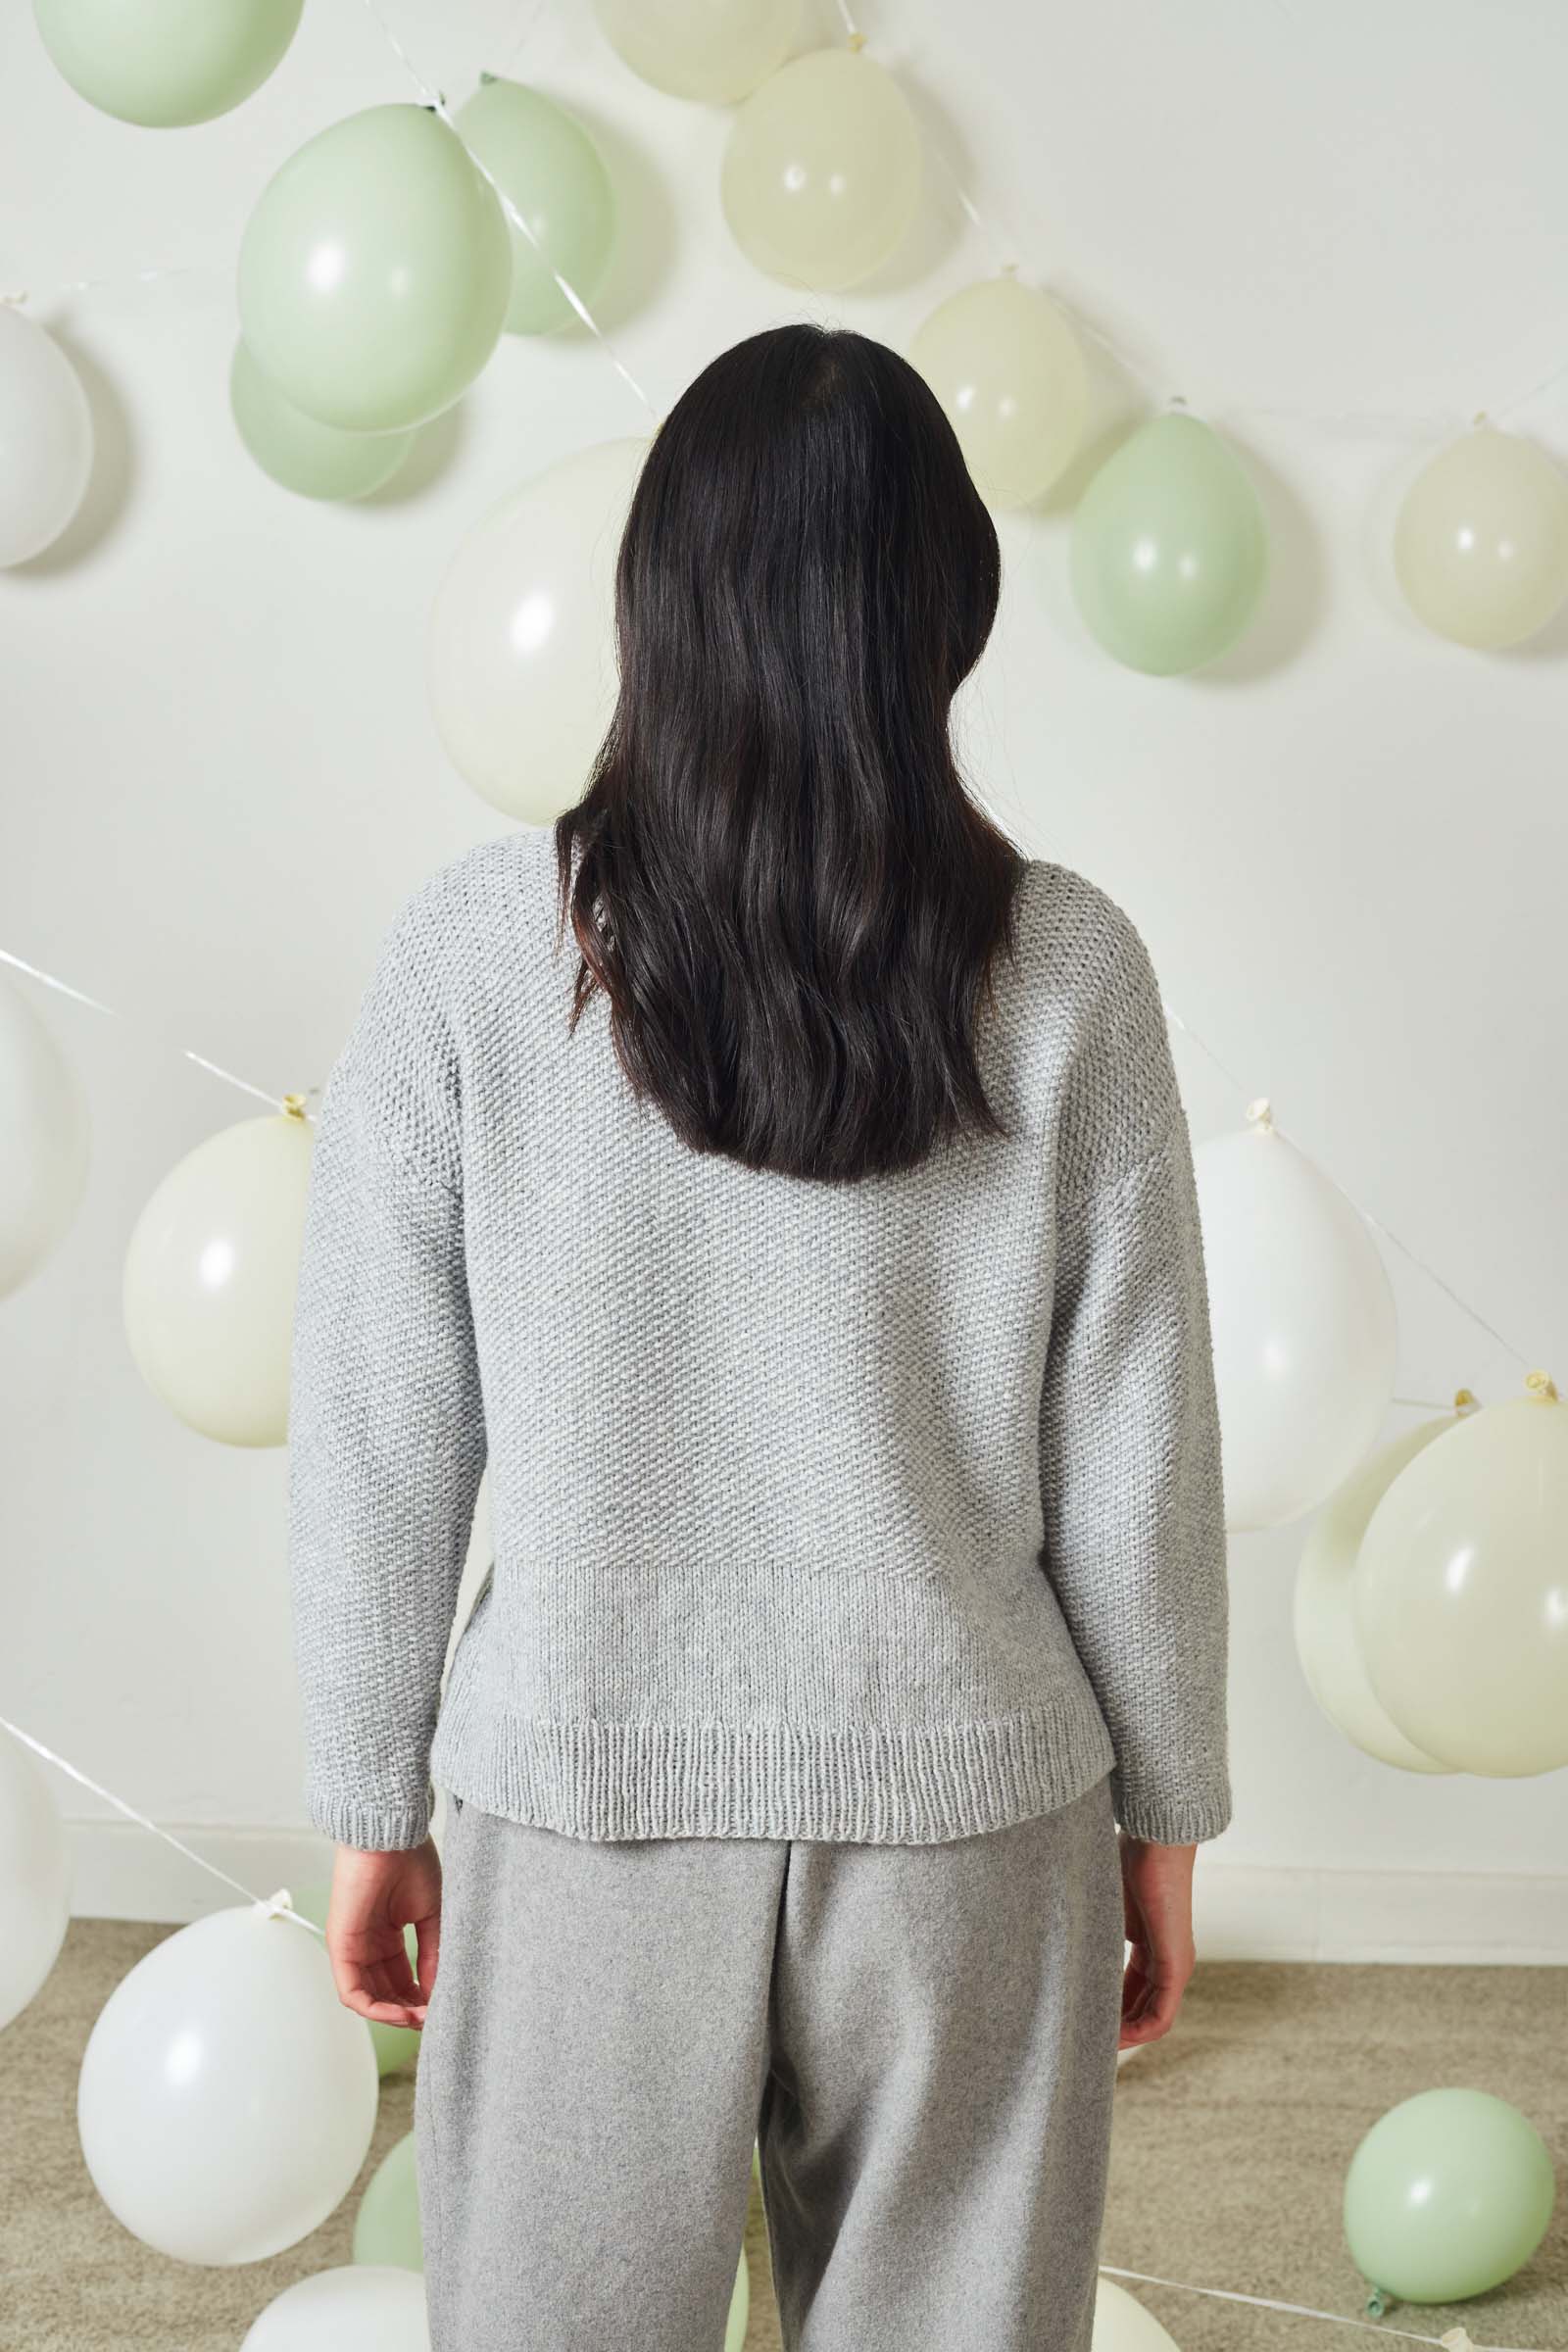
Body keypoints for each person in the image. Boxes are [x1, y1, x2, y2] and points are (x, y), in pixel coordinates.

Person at [286, 323, 1231, 2352]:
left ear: (655, 594)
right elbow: (1135, 1440)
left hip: (585, 1788)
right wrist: (1163, 1814)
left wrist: (369, 1795)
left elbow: (380, 1421)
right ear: (946, 603)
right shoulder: (1069, 965)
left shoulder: (473, 952)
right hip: (969, 1805)